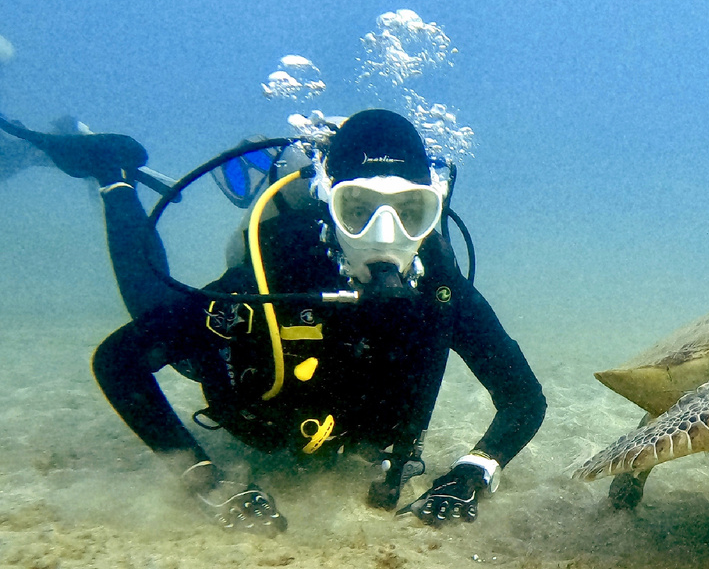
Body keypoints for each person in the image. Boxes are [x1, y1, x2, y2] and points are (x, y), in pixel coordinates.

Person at [0, 108, 546, 535]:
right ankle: (114, 175)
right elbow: (119, 361)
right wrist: (203, 480)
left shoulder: (440, 289)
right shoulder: (274, 270)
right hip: (253, 395)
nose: (386, 236)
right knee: (151, 305)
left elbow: (524, 397)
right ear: (328, 202)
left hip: (331, 430)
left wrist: (475, 471)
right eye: (358, 210)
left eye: (410, 212)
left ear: (433, 210)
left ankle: (113, 176)